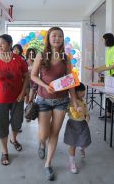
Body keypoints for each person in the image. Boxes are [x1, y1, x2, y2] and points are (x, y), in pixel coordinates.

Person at [31, 27, 79, 181]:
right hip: (43, 100)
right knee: (44, 134)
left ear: (62, 39)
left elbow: (70, 82)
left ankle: (48, 163)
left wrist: (75, 101)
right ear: (49, 38)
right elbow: (33, 75)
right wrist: (45, 86)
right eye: (54, 35)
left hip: (61, 101)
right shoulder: (41, 55)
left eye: (60, 36)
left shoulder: (66, 57)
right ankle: (42, 144)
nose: (57, 38)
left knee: (54, 133)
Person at [0, 34, 29, 166]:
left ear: (10, 44)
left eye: (2, 43)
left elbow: (26, 77)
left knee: (17, 122)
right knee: (2, 124)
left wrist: (23, 93)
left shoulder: (19, 60)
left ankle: (13, 138)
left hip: (17, 98)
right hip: (0, 100)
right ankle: (4, 151)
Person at [89, 33, 114, 126]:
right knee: (108, 95)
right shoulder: (110, 49)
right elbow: (108, 65)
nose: (102, 41)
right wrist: (97, 69)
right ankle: (108, 114)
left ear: (108, 39)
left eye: (103, 39)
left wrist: (102, 69)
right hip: (112, 75)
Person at [63, 82, 91, 174]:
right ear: (74, 93)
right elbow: (67, 109)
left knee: (84, 142)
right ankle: (72, 163)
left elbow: (86, 111)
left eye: (84, 92)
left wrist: (87, 116)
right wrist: (74, 108)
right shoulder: (71, 101)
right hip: (72, 125)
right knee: (72, 145)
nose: (83, 94)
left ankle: (81, 148)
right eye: (81, 92)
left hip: (83, 125)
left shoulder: (83, 101)